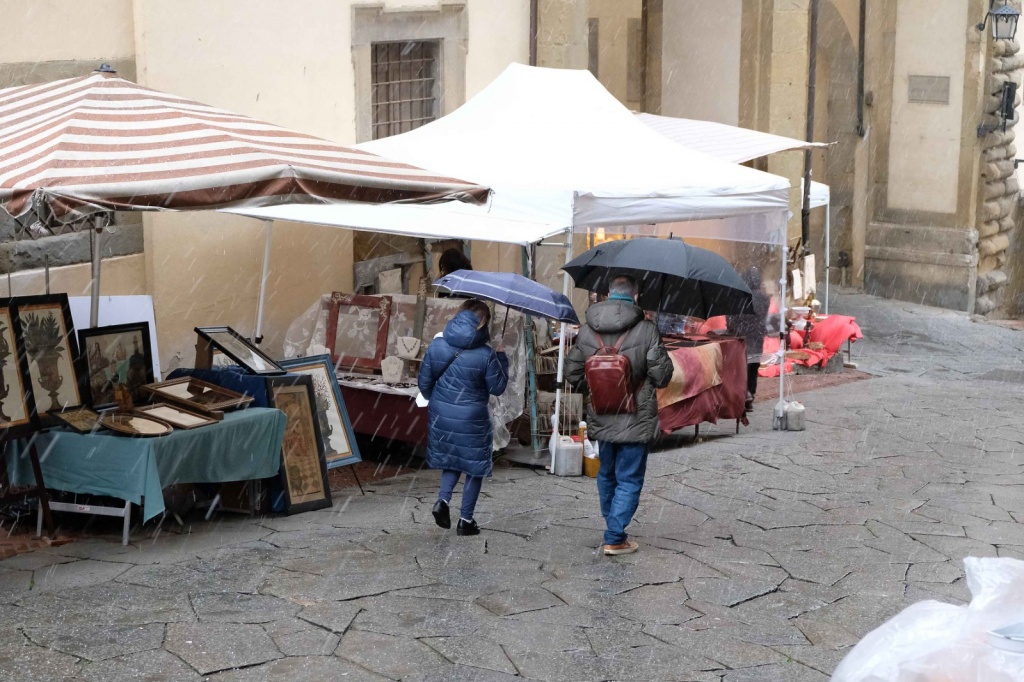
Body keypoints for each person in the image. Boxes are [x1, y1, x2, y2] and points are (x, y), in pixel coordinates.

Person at [565, 275, 673, 556]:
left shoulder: (588, 330)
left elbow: (572, 373)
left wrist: (598, 388)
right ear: (635, 297)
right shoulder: (647, 329)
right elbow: (661, 377)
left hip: (602, 414)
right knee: (629, 477)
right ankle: (615, 536)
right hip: (635, 417)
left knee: (607, 474)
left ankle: (612, 523)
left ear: (609, 294)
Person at [418, 298, 509, 536]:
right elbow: (497, 387)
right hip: (472, 416)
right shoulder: (486, 354)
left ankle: (443, 501)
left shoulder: (437, 344)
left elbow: (424, 383)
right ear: (483, 323)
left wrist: (438, 402)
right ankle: (465, 520)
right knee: (474, 466)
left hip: (441, 411)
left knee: (452, 458)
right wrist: (501, 358)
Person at [726, 266, 772, 412]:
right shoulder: (765, 298)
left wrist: (732, 330)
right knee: (753, 367)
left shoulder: (739, 296)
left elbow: (731, 319)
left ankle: (742, 395)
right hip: (757, 337)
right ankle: (751, 393)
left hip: (742, 336)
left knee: (741, 367)